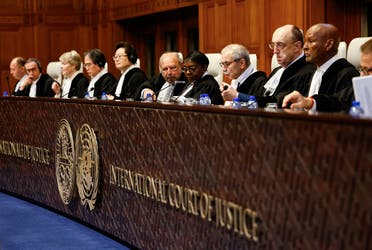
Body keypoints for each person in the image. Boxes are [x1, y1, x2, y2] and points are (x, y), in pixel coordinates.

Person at [282, 23, 359, 112]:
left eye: (310, 41)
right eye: (305, 42)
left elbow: (341, 106)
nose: (305, 47)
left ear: (329, 45)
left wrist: (311, 103)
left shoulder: (346, 73)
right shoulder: (313, 71)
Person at [256, 24, 316, 107]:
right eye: (273, 45)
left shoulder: (308, 71)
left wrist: (238, 96)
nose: (275, 51)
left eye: (280, 45)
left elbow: (280, 103)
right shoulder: (276, 71)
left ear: (297, 47)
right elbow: (261, 96)